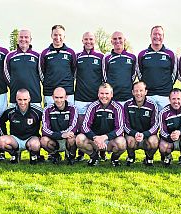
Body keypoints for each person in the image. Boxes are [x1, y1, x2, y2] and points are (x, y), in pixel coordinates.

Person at [75, 83, 126, 166]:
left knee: (122, 143)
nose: (104, 96)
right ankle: (94, 157)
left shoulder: (118, 107)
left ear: (111, 94)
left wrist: (105, 137)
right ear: (98, 94)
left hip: (110, 140)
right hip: (95, 140)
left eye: (107, 93)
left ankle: (114, 159)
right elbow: (85, 126)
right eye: (102, 93)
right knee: (79, 139)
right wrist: (95, 138)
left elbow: (120, 128)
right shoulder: (92, 106)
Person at [74, 31, 105, 162]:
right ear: (82, 40)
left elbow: (105, 77)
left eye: (91, 39)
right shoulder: (77, 56)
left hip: (95, 99)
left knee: (97, 125)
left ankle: (101, 151)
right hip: (80, 97)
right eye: (86, 39)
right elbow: (73, 74)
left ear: (95, 41)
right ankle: (82, 151)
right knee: (81, 126)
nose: (88, 42)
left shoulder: (101, 57)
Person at [0, 89, 44, 164]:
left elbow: (46, 122)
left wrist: (41, 136)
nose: (22, 102)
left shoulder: (37, 111)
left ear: (29, 99)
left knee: (35, 144)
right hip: (15, 140)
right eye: (20, 99)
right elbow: (0, 121)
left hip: (31, 139)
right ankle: (14, 154)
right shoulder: (10, 110)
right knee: (0, 141)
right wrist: (5, 134)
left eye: (25, 99)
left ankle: (34, 155)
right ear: (16, 99)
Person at [136, 26, 177, 110]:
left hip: (165, 96)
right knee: (148, 122)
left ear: (163, 37)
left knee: (165, 121)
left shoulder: (170, 54)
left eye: (160, 34)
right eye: (155, 34)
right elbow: (139, 73)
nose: (157, 37)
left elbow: (175, 73)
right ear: (150, 35)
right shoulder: (142, 54)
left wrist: (166, 86)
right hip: (148, 96)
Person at [123, 81, 160, 166]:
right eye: (136, 91)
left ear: (145, 92)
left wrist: (144, 134)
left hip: (147, 135)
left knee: (154, 141)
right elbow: (125, 124)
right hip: (132, 135)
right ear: (132, 92)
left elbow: (155, 124)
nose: (138, 93)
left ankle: (149, 158)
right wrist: (134, 133)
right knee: (129, 141)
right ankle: (131, 157)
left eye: (141, 90)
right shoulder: (127, 104)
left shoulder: (152, 105)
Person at [4, 29, 42, 107]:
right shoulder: (10, 56)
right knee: (15, 119)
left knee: (34, 119)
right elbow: (6, 73)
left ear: (30, 39)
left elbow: (42, 74)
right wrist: (13, 85)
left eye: (26, 37)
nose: (23, 39)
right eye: (21, 37)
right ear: (17, 39)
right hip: (15, 97)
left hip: (34, 97)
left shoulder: (37, 56)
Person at [41, 25, 77, 106]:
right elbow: (41, 72)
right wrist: (48, 82)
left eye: (60, 35)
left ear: (64, 36)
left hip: (68, 92)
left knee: (69, 116)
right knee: (49, 116)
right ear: (51, 35)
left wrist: (68, 82)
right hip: (50, 92)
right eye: (55, 35)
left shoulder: (70, 52)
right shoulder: (45, 53)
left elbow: (74, 71)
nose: (58, 37)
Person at [41, 87, 78, 164]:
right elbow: (45, 130)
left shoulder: (72, 108)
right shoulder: (47, 109)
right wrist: (61, 135)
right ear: (52, 97)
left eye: (61, 97)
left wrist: (66, 134)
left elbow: (73, 127)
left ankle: (70, 156)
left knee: (72, 138)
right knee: (43, 140)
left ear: (66, 97)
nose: (59, 100)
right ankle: (55, 155)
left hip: (68, 137)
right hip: (55, 139)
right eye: (56, 97)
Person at [158, 88, 181, 167]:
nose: (176, 102)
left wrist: (179, 133)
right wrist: (170, 136)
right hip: (169, 140)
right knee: (162, 146)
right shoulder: (163, 112)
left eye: (178, 99)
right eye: (173, 99)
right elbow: (162, 131)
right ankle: (168, 157)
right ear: (169, 99)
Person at [103, 31, 137, 104]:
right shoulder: (107, 58)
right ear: (111, 41)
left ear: (124, 40)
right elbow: (104, 76)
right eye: (115, 39)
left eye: (120, 38)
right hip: (113, 98)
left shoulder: (132, 57)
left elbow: (133, 75)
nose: (117, 41)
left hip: (128, 97)